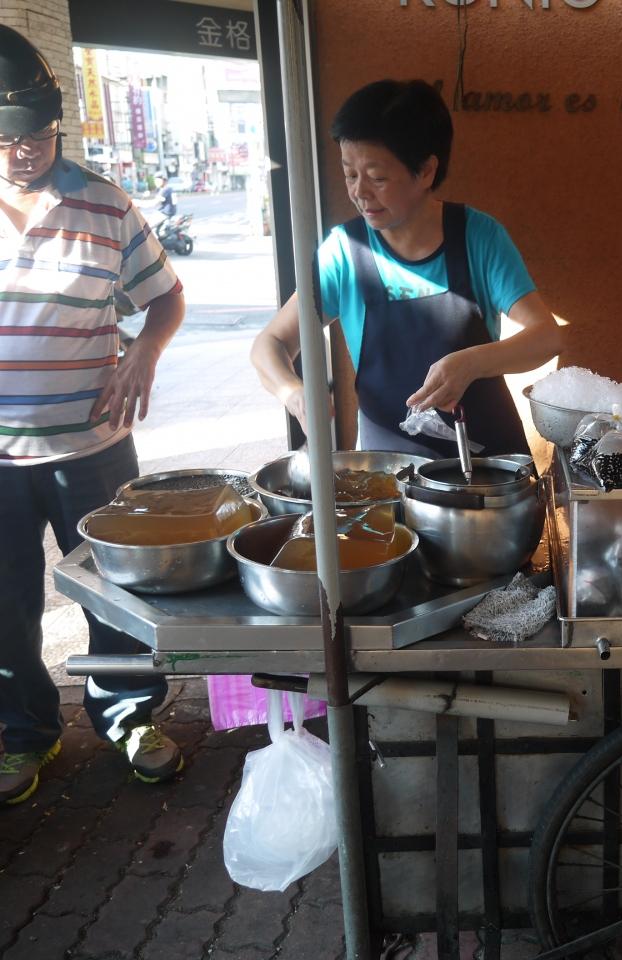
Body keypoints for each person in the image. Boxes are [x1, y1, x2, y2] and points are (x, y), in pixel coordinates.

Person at [0, 26, 187, 805]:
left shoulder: (106, 204)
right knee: (5, 605)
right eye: (9, 138)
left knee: (116, 591)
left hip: (95, 449)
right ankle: (23, 734)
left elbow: (165, 297)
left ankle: (129, 717)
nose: (25, 151)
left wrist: (144, 352)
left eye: (39, 135)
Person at [251, 79, 564, 456]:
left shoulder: (478, 236)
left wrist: (473, 362)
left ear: (426, 171)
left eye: (377, 177)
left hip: (489, 469)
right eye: (350, 174)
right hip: (388, 472)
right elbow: (270, 343)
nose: (359, 192)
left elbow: (546, 336)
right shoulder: (344, 253)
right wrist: (295, 394)